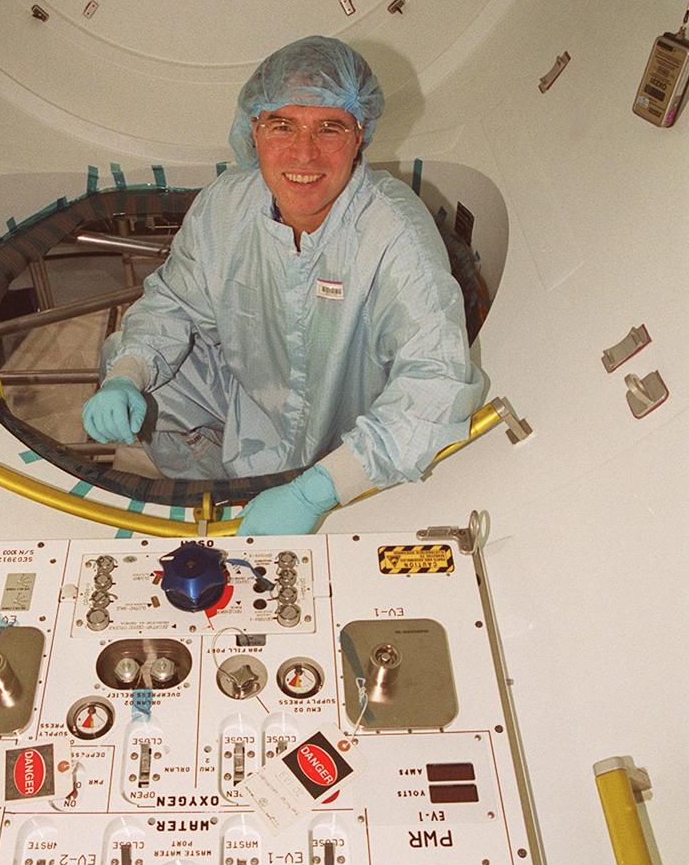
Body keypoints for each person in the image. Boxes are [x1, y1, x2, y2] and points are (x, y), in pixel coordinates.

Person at [82, 35, 484, 534]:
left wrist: (317, 490)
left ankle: (320, 491)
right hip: (248, 409)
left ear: (360, 134)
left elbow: (437, 384)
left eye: (330, 128)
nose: (303, 153)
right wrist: (126, 374)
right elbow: (173, 304)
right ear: (255, 130)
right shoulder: (226, 206)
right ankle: (220, 508)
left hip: (352, 436)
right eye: (283, 126)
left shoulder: (393, 231)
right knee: (137, 366)